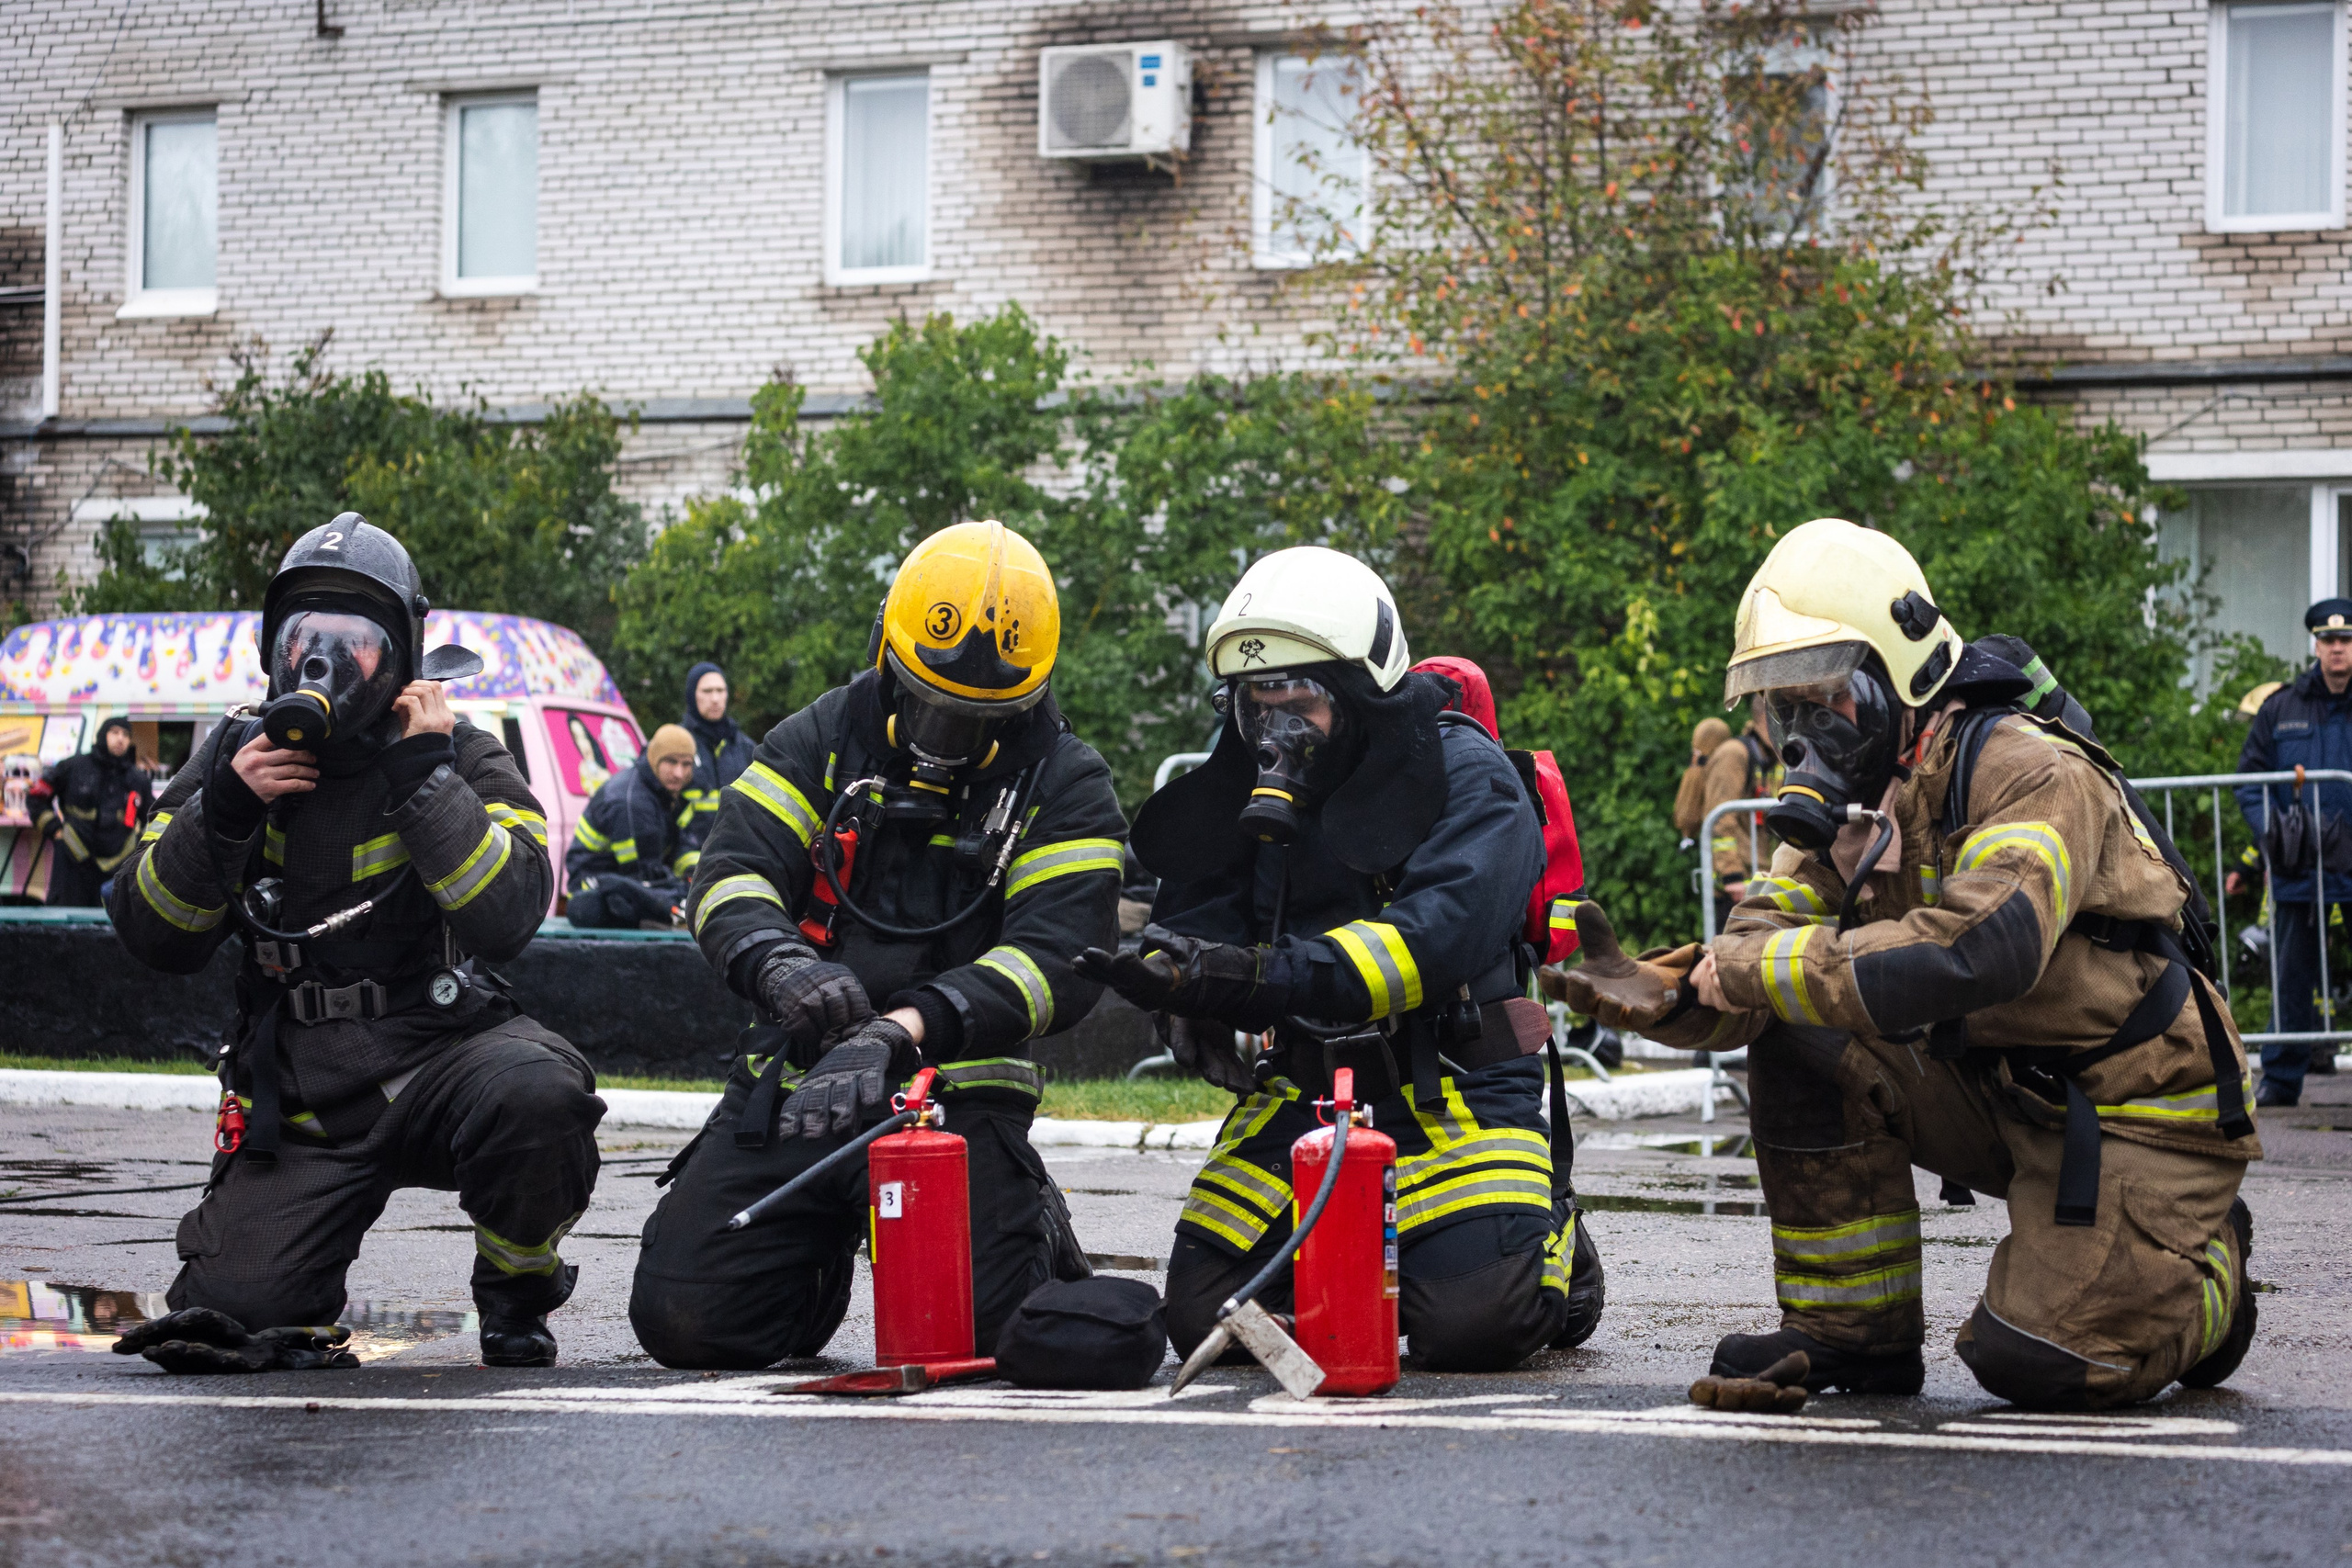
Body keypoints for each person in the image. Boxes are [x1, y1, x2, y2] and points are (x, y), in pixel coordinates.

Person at [1552, 517, 2259, 1410]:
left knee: (2038, 1360)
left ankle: (2210, 1280)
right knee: (1799, 1036)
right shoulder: (1854, 809)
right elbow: (1761, 959)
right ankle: (1852, 1334)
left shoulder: (2026, 770)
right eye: (1782, 707)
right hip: (2004, 1087)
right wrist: (1662, 997)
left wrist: (1760, 968)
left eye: (1827, 700)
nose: (1802, 733)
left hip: (2138, 1107)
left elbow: (1984, 950)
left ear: (1901, 676)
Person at [1080, 547, 1604, 1372]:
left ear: (1365, 690)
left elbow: (1429, 941)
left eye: (1302, 701)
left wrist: (1257, 977)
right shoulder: (1256, 784)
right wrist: (1181, 977)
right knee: (1202, 1315)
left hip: (1452, 1085)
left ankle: (1555, 1239)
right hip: (1307, 1085)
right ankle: (1358, 1260)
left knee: (1472, 1329)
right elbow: (1203, 906)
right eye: (1257, 705)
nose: (1275, 732)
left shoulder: (1470, 780)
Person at [107, 514, 603, 1370]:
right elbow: (153, 933)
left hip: (438, 1055)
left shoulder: (456, 751)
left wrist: (427, 780)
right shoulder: (235, 752)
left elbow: (513, 912)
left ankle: (517, 1286)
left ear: (404, 658)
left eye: (357, 643)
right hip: (302, 1095)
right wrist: (222, 810)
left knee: (540, 1093)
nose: (325, 662)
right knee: (238, 1319)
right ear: (275, 648)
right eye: (307, 636)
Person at [629, 520, 1127, 1369]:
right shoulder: (819, 738)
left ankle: (1027, 1218)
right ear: (885, 652)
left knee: (974, 1340)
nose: (943, 732)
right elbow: (730, 876)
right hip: (799, 1085)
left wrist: (902, 1028)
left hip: (955, 1102)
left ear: (1027, 699)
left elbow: (1059, 959)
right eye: (925, 699)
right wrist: (781, 966)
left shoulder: (1065, 781)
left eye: (974, 719)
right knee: (687, 1322)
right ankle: (813, 1250)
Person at [2233, 598, 2352, 1105]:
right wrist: (2271, 834)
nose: (2337, 650)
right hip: (2301, 862)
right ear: (2316, 646)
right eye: (2328, 641)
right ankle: (2281, 1080)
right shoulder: (2282, 707)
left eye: (2345, 640)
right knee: (2292, 972)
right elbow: (2248, 780)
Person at [564, 723, 697, 929]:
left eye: (686, 764)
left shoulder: (669, 791)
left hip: (636, 877)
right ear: (654, 760)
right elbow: (643, 872)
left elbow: (683, 846)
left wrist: (693, 874)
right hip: (593, 886)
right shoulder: (631, 801)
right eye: (671, 762)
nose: (679, 773)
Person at [1676, 701, 1777, 929]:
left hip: (1758, 878)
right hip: (1737, 888)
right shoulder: (1734, 755)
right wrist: (1732, 876)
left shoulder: (1764, 757)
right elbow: (1720, 819)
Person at [40, 715, 153, 906]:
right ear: (102, 736)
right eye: (114, 732)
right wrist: (54, 829)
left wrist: (141, 851)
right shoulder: (73, 767)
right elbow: (37, 795)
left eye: (125, 734)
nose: (120, 739)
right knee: (67, 923)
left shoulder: (138, 779)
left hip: (118, 868)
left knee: (110, 927)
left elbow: (152, 816)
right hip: (72, 864)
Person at [679, 661, 751, 852]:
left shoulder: (744, 747)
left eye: (720, 690)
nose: (715, 698)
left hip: (738, 854)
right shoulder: (677, 744)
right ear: (692, 695)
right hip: (689, 858)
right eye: (707, 691)